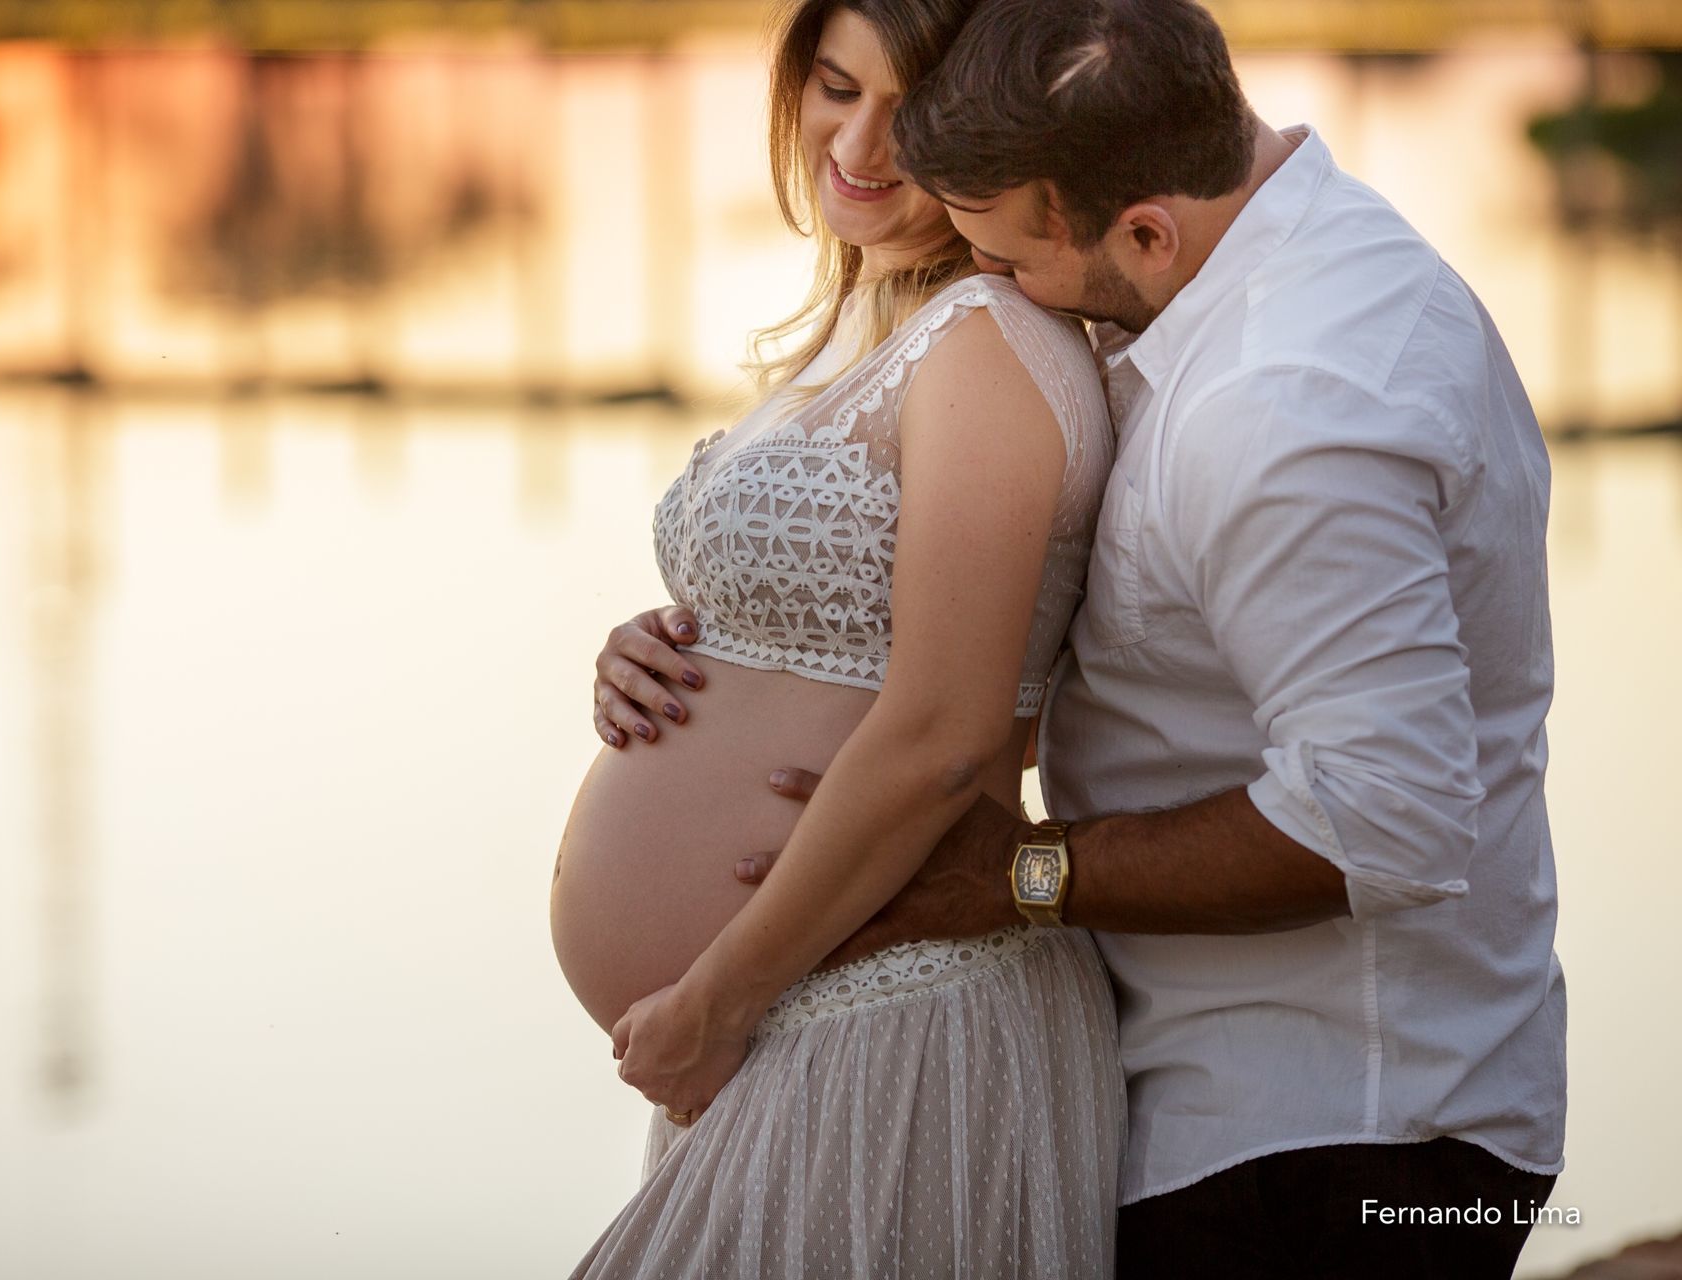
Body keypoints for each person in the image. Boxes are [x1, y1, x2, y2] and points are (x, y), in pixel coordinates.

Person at [603, 0, 1568, 1276]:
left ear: (1145, 231)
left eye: (1005, 260)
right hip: (1226, 1094)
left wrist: (1019, 875)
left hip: (1337, 1130)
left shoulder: (1291, 411)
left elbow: (1383, 819)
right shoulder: (1265, 260)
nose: (988, 288)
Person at [549, 0, 1125, 1274]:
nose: (862, 143)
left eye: (911, 111)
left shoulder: (984, 346)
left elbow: (944, 732)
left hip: (874, 1013)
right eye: (832, 87)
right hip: (788, 1018)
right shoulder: (871, 326)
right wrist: (663, 648)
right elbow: (832, 629)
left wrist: (719, 996)